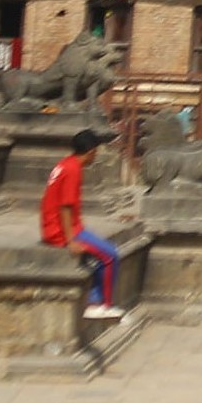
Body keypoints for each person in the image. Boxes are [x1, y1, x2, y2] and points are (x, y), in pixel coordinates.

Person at [39, 127, 119, 317]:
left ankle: (95, 299)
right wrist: (70, 240)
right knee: (110, 256)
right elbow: (65, 207)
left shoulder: (65, 164)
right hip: (62, 231)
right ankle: (102, 304)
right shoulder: (73, 170)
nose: (96, 156)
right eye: (96, 152)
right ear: (91, 151)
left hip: (56, 225)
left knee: (101, 254)